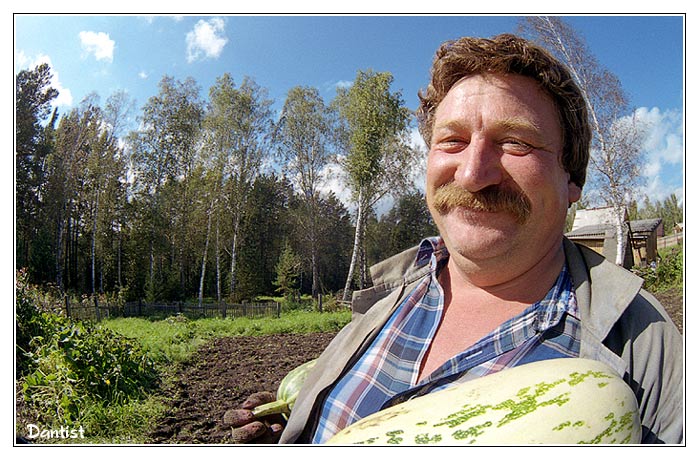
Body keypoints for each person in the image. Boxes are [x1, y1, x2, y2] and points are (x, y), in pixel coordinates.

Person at [227, 33, 683, 444]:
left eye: (516, 143)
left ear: (572, 180)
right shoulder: (386, 297)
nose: (473, 173)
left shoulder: (648, 348)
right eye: (453, 141)